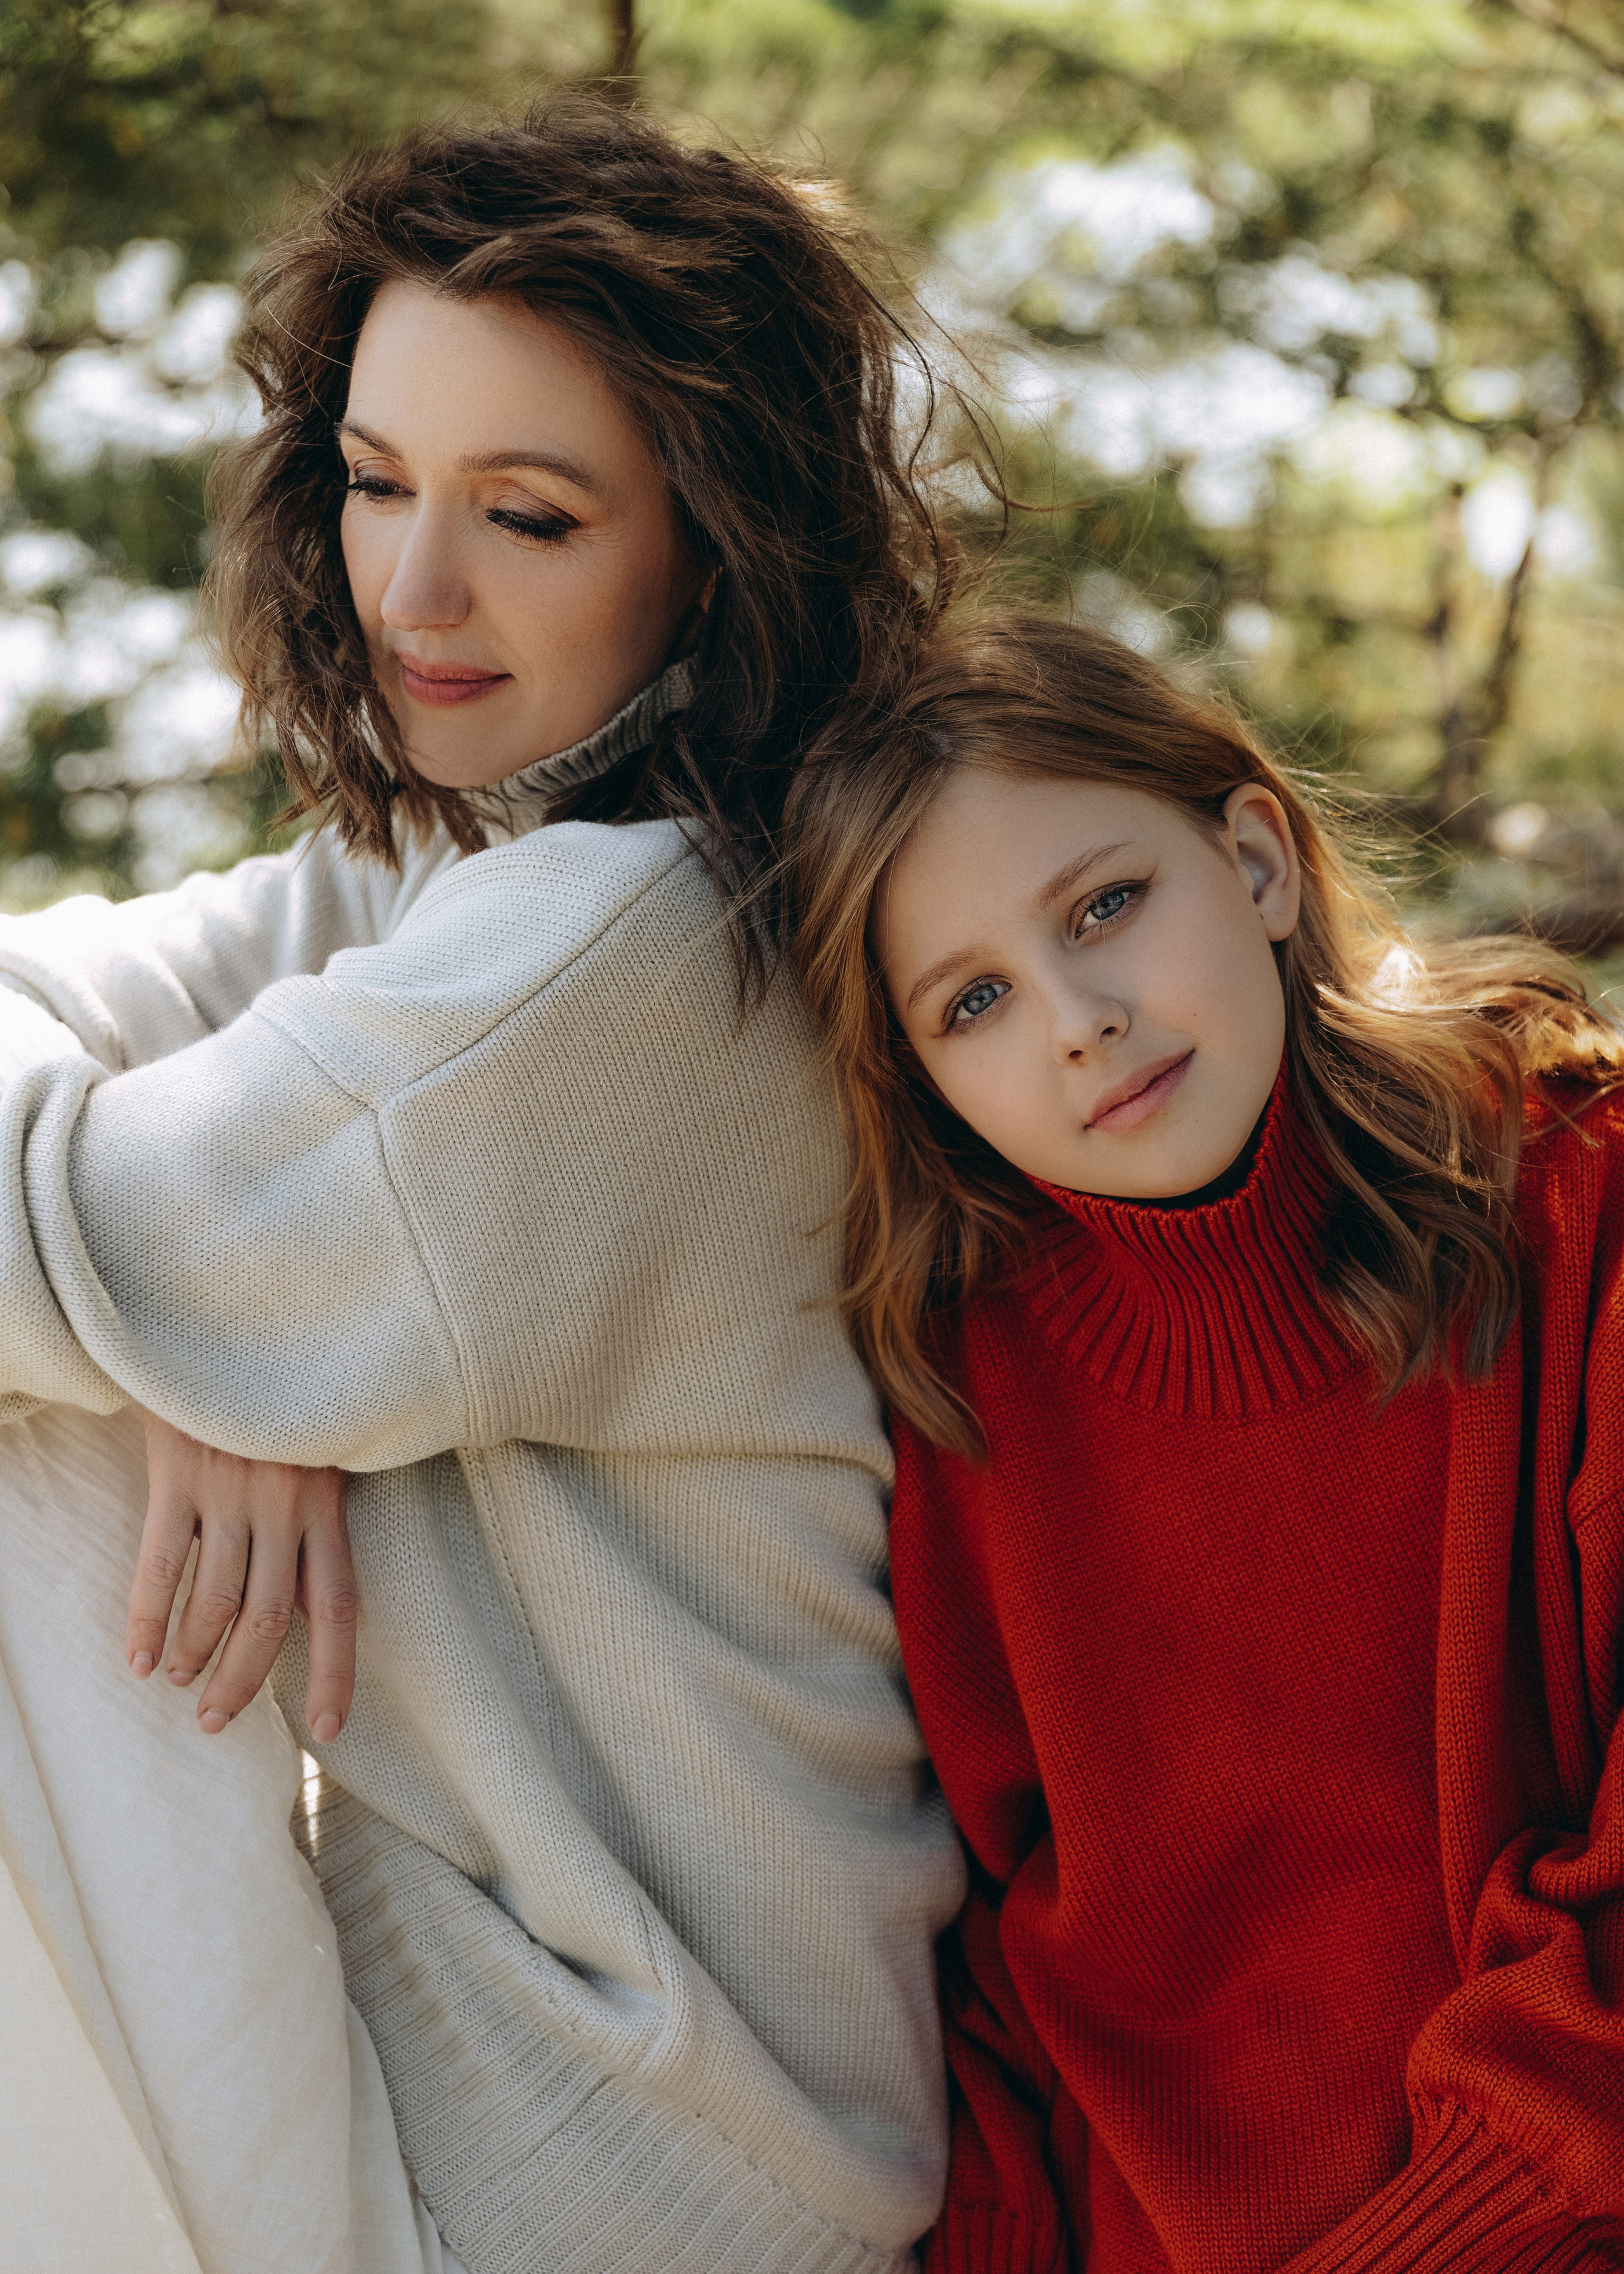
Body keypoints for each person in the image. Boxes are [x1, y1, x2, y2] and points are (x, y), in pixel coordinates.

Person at [0, 100, 968, 2274]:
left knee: (11, 1460)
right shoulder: (469, 866)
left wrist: (148, 1300)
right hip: (563, 2110)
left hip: (601, 2173)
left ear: (716, 543)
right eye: (371, 481)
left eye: (526, 516)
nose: (413, 589)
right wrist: (195, 1350)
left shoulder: (635, 952)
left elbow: (58, 1211)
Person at [785, 608, 1624, 2273]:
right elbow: (1012, 2010)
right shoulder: (964, 1403)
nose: (1078, 1016)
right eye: (973, 1003)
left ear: (1252, 857)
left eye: (1105, 905)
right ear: (924, 1083)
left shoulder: (1579, 1198)